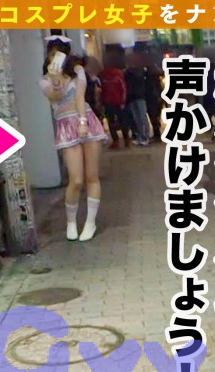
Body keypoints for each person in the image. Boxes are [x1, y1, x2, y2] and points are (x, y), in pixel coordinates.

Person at [39, 36, 108, 242]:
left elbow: (80, 97)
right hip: (65, 127)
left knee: (92, 176)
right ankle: (71, 222)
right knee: (76, 180)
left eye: (60, 54)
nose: (56, 58)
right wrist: (56, 78)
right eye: (53, 54)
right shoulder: (44, 80)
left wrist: (83, 122)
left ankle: (90, 222)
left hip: (85, 122)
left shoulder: (78, 71)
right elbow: (55, 97)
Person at [99, 55, 131, 149]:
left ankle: (121, 140)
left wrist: (123, 101)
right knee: (116, 121)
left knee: (116, 121)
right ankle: (122, 140)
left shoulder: (110, 73)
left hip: (114, 101)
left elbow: (122, 87)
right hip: (111, 101)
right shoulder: (103, 74)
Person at [124, 53, 151, 146]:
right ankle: (140, 136)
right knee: (137, 118)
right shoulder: (128, 72)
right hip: (132, 97)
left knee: (142, 117)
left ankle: (146, 136)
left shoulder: (140, 70)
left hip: (140, 96)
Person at [144, 59, 164, 142]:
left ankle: (157, 134)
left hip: (151, 98)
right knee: (156, 116)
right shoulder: (157, 78)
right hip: (157, 97)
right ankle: (157, 133)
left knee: (153, 116)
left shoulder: (148, 77)